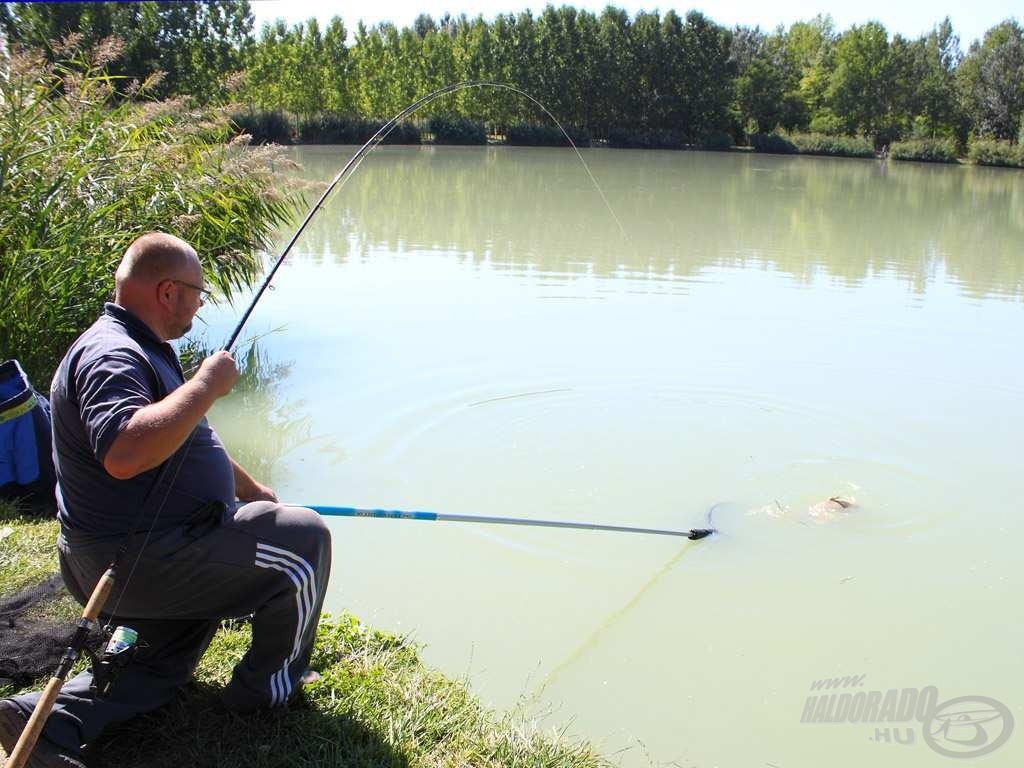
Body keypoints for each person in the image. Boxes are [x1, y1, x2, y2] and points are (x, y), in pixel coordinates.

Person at [0, 232, 331, 767]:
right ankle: (270, 691)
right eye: (198, 294)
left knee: (162, 665)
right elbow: (125, 451)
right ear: (169, 292)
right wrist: (205, 384)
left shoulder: (138, 346)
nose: (199, 308)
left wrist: (250, 490)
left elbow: (179, 436)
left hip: (132, 556)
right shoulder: (112, 354)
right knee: (303, 544)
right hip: (142, 558)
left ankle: (43, 717)